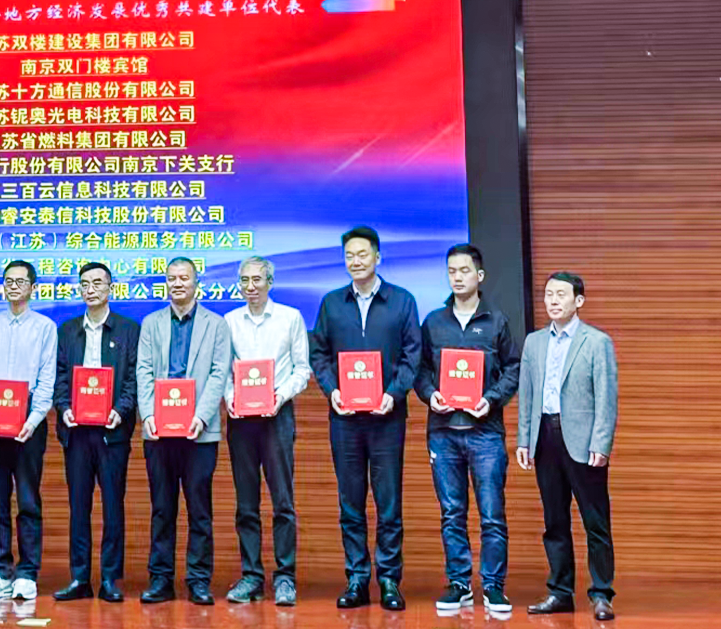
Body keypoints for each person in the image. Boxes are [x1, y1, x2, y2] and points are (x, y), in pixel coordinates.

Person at [308, 226, 422, 612]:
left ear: (377, 257)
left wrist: (394, 393)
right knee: (351, 503)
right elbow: (319, 353)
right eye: (349, 256)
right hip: (344, 419)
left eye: (362, 254)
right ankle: (356, 578)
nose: (355, 261)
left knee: (388, 503)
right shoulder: (331, 303)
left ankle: (389, 579)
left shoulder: (402, 301)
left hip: (387, 417)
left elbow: (412, 354)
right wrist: (332, 390)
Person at [414, 244, 521, 617]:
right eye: (451, 271)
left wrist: (491, 400)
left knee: (491, 513)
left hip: (485, 432)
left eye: (464, 270)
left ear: (480, 275)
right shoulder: (433, 322)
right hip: (443, 432)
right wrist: (430, 394)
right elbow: (420, 371)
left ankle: (493, 586)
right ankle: (459, 583)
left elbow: (513, 369)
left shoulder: (497, 321)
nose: (457, 277)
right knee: (451, 513)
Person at [516, 272, 618, 621]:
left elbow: (606, 398)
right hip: (545, 437)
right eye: (548, 294)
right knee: (554, 521)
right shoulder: (534, 342)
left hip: (584, 441)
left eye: (561, 294)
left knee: (595, 521)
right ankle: (560, 592)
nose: (553, 300)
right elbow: (527, 394)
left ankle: (601, 594)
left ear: (579, 301)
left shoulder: (597, 342)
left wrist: (601, 442)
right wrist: (524, 439)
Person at [136, 256, 232, 606]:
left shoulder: (216, 324)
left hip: (199, 433)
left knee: (199, 509)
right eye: (172, 278)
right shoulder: (151, 323)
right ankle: (160, 579)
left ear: (196, 283)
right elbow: (143, 370)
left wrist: (202, 417)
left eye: (184, 278)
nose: (177, 284)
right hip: (159, 432)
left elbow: (219, 373)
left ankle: (198, 580)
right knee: (162, 509)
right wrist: (147, 414)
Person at [222, 257, 310, 607]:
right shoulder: (229, 321)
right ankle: (251, 576)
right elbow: (223, 371)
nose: (251, 286)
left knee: (282, 502)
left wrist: (279, 396)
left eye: (257, 279)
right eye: (244, 280)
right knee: (246, 503)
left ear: (270, 282)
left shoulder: (291, 318)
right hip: (241, 421)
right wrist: (230, 397)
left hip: (277, 417)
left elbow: (302, 370)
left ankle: (285, 576)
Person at [51, 261, 139, 604]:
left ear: (110, 288)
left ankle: (110, 579)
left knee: (113, 507)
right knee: (79, 507)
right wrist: (64, 407)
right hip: (76, 433)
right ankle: (79, 578)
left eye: (98, 283)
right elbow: (60, 376)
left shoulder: (129, 329)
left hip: (112, 432)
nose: (91, 289)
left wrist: (121, 409)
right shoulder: (67, 330)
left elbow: (133, 377)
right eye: (85, 283)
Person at [0, 259, 58, 602]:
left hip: (29, 424)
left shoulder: (45, 327)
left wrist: (33, 420)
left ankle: (27, 573)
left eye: (21, 281)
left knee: (28, 500)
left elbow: (47, 378)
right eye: (8, 281)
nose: (14, 286)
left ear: (33, 288)